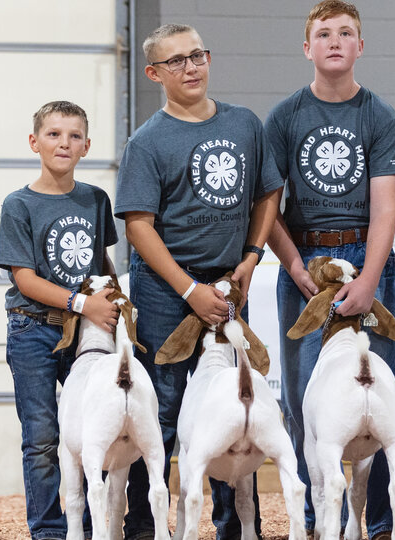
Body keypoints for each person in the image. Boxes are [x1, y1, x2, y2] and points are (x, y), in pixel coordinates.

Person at [114, 24, 282, 540]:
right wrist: (189, 290)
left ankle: (232, 526)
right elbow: (138, 225)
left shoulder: (244, 124)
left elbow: (267, 193)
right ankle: (145, 525)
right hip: (167, 292)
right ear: (154, 73)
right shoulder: (146, 142)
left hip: (231, 285)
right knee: (159, 410)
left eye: (198, 56)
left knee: (236, 404)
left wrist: (253, 257)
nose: (191, 68)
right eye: (177, 61)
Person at [263, 1, 395, 538]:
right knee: (304, 400)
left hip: (368, 261)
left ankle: (379, 525)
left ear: (359, 47)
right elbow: (268, 208)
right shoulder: (284, 118)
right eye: (323, 33)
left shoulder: (379, 115)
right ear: (307, 47)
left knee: (379, 394)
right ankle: (315, 518)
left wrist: (370, 280)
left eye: (346, 33)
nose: (334, 41)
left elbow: (385, 207)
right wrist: (295, 263)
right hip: (307, 265)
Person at [0, 100, 120, 540]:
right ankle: (49, 531)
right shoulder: (19, 205)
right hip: (33, 328)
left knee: (88, 430)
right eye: (53, 134)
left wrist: (110, 298)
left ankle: (86, 526)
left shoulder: (95, 200)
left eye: (73, 136)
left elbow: (100, 259)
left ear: (87, 146)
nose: (63, 143)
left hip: (84, 334)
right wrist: (84, 305)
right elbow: (25, 279)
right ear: (35, 142)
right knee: (43, 436)